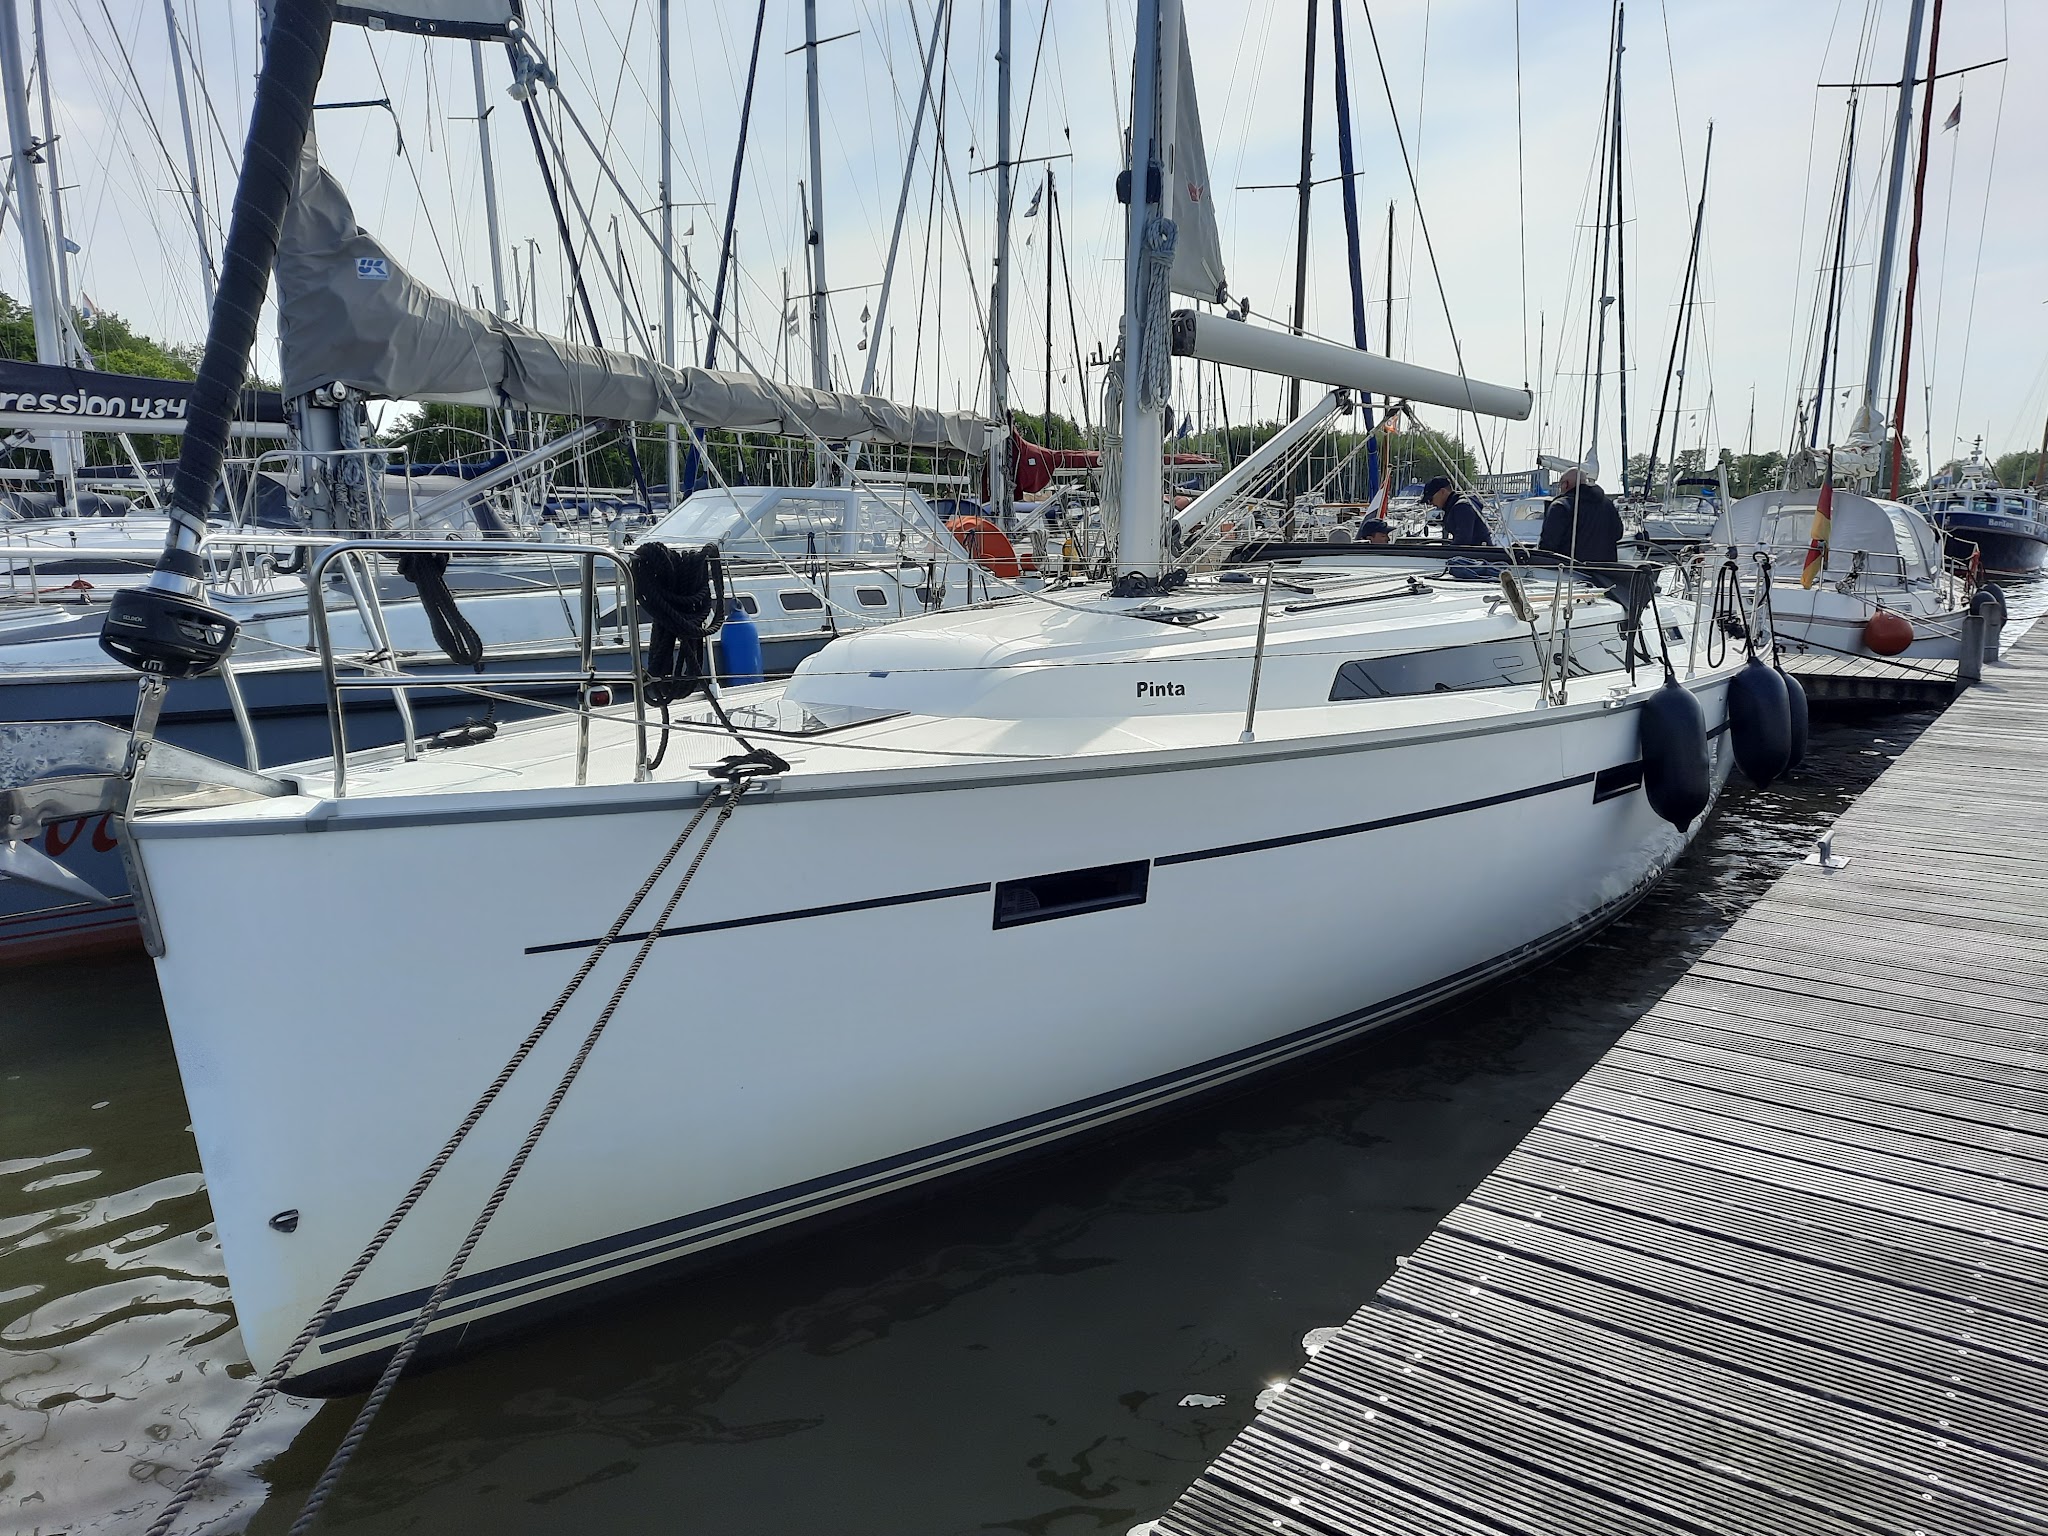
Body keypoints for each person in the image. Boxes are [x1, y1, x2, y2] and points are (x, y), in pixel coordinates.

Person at [1537, 466, 1623, 566]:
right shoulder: (1608, 504)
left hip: (1572, 572)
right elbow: (1618, 534)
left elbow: (1548, 545)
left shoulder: (1560, 506)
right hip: (1605, 572)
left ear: (1566, 484)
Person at [1423, 476, 1490, 545]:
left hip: (1477, 553)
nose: (1431, 503)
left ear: (1442, 492)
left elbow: (1463, 541)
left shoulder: (1462, 507)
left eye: (1430, 499)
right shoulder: (1457, 505)